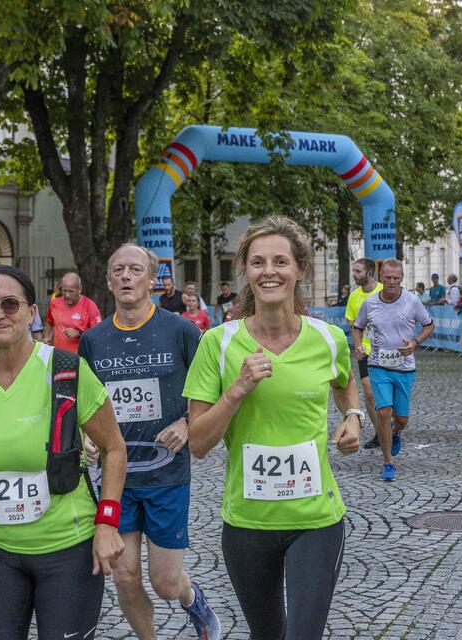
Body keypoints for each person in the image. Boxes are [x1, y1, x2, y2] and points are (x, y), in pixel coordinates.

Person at [182, 216, 363, 640]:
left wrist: (352, 417)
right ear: (245, 270)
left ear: (299, 269)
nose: (269, 271)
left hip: (315, 519)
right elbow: (198, 442)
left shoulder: (328, 338)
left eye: (280, 261)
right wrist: (237, 390)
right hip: (247, 522)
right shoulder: (219, 343)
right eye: (258, 262)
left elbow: (345, 384)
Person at [0, 265, 127, 639]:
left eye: (10, 303)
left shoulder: (67, 372)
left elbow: (114, 449)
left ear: (32, 312)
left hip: (69, 549)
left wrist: (107, 523)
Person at [79, 244, 218, 640]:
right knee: (123, 576)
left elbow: (213, 388)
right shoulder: (93, 340)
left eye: (135, 269)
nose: (125, 276)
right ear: (108, 281)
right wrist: (89, 436)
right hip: (118, 476)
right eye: (118, 269)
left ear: (152, 280)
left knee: (165, 582)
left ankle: (194, 600)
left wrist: (189, 422)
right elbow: (87, 399)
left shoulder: (181, 331)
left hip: (167, 474)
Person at [352, 258, 434, 482]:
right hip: (378, 365)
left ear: (402, 279)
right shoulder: (369, 303)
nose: (391, 282)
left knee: (401, 419)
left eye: (396, 279)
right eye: (387, 278)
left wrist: (415, 343)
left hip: (405, 367)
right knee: (383, 411)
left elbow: (429, 324)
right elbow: (357, 328)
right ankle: (388, 462)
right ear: (381, 277)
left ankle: (396, 431)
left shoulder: (412, 301)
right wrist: (358, 346)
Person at [345, 257, 384, 449]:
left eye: (358, 271)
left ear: (369, 273)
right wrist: (358, 345)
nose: (354, 275)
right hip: (366, 352)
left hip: (387, 350)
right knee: (369, 394)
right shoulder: (354, 296)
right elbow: (353, 325)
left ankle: (392, 426)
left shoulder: (384, 291)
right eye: (353, 271)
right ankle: (380, 434)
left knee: (386, 393)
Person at [45, 272, 103, 352]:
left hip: (81, 357)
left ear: (79, 290)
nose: (67, 295)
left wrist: (79, 334)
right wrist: (47, 337)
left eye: (71, 291)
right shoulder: (54, 304)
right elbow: (50, 322)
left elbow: (99, 334)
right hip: (58, 356)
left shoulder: (90, 306)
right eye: (64, 291)